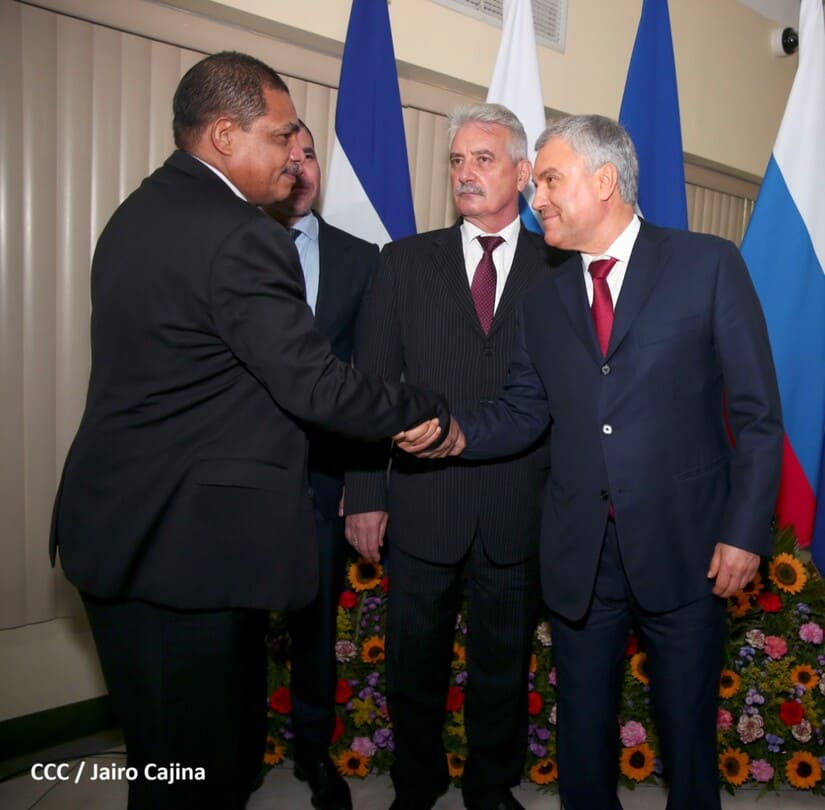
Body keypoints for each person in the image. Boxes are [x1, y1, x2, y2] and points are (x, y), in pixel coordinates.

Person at [49, 51, 448, 810]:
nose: (295, 155)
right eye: (281, 134)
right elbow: (316, 383)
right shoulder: (239, 234)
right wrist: (431, 409)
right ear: (225, 136)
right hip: (177, 544)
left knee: (172, 757)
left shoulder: (139, 213)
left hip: (134, 526)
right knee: (192, 768)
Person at [398, 114, 784, 810]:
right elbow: (523, 411)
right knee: (580, 738)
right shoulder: (543, 300)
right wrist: (452, 433)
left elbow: (757, 415)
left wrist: (744, 532)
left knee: (687, 741)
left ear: (604, 181)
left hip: (687, 548)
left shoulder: (707, 265)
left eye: (550, 180)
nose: (536, 196)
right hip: (580, 554)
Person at [345, 103, 566, 810]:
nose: (465, 173)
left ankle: (489, 785)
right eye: (456, 161)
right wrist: (366, 492)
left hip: (518, 503)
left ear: (523, 173)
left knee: (503, 664)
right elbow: (371, 389)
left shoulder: (561, 268)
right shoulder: (404, 262)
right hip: (423, 499)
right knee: (414, 662)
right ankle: (417, 781)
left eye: (483, 159)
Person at [266, 120, 378, 810]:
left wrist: (361, 479)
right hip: (242, 473)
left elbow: (368, 377)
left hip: (322, 477)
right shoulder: (234, 243)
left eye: (309, 154)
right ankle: (235, 750)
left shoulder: (359, 259)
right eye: (289, 154)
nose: (301, 166)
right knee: (235, 621)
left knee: (313, 624)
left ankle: (313, 753)